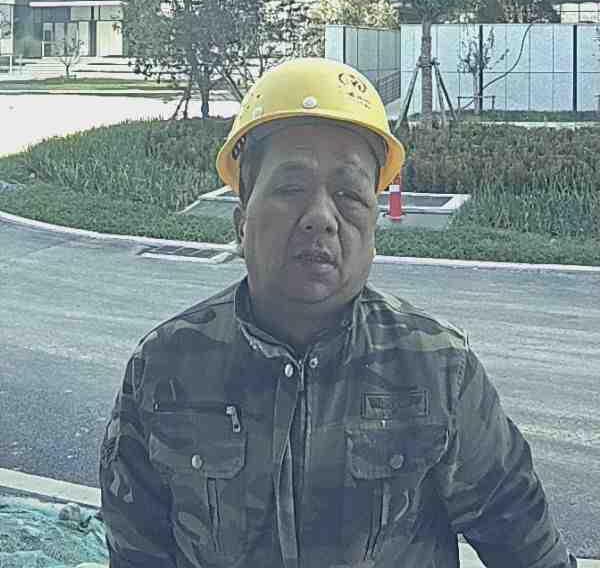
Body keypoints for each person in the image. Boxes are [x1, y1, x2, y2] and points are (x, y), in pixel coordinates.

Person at [99, 56, 577, 568]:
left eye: (349, 194)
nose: (321, 218)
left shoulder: (439, 368)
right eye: (290, 189)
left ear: (373, 230)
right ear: (241, 222)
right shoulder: (165, 366)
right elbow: (137, 553)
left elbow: (528, 547)